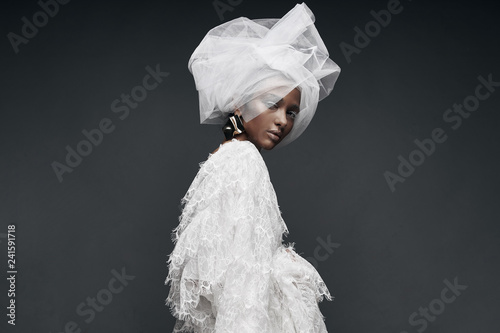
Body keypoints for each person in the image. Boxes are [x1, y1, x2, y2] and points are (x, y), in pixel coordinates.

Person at [165, 3, 341, 332]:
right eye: (271, 103)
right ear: (239, 102)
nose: (282, 120)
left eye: (291, 111)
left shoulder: (223, 157)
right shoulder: (244, 161)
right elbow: (242, 282)